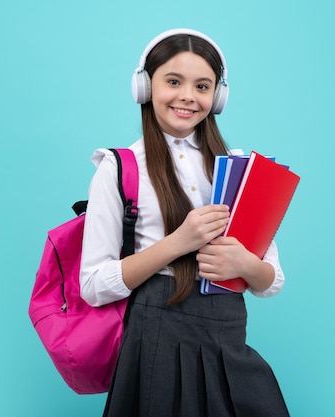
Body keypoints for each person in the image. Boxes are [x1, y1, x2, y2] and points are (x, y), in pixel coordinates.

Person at [80, 28, 290, 417]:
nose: (188, 96)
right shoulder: (119, 168)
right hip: (156, 341)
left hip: (227, 340)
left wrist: (244, 265)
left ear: (218, 96)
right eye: (173, 81)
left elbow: (271, 280)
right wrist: (177, 243)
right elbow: (92, 286)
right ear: (145, 86)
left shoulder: (240, 169)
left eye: (203, 85)